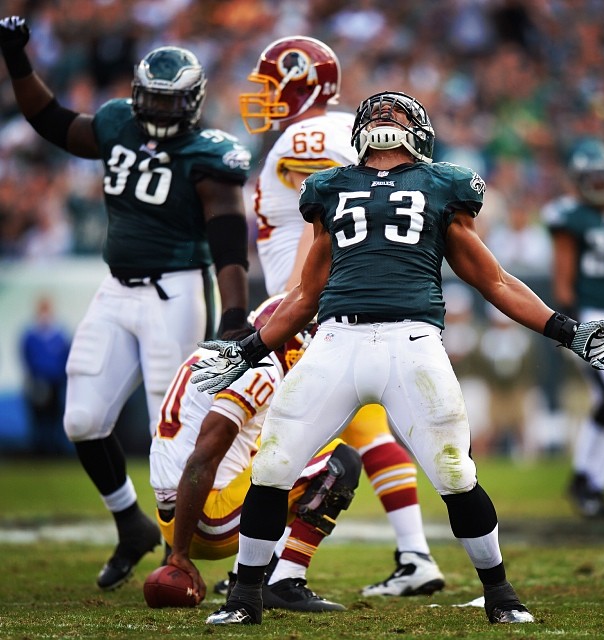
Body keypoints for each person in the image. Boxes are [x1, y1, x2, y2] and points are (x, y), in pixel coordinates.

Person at [189, 91, 604, 626]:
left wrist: (568, 332)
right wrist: (248, 351)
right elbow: (305, 296)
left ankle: (500, 593)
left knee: (454, 472)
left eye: (397, 112)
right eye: (376, 111)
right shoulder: (329, 188)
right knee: (273, 465)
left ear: (419, 131)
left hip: (413, 343)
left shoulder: (442, 184)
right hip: (336, 342)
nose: (385, 117)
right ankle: (245, 597)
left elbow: (492, 279)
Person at [0, 16, 252, 590]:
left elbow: (228, 239)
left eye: (171, 102)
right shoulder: (116, 123)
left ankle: (178, 552)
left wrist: (234, 313)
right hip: (115, 290)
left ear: (191, 102)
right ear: (138, 95)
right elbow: (53, 121)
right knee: (83, 418)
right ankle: (130, 525)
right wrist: (17, 58)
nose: (160, 112)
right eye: (153, 100)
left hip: (177, 293)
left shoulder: (209, 154)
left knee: (174, 435)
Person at [236, 34, 445, 598]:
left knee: (284, 441)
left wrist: (298, 300)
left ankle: (271, 569)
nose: (262, 96)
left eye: (270, 84)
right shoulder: (332, 130)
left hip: (311, 307)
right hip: (327, 307)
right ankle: (415, 555)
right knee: (367, 429)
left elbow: (326, 216)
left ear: (303, 81)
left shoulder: (313, 134)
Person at [150, 293, 361, 612]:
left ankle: (246, 574)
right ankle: (282, 580)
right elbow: (201, 459)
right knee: (338, 461)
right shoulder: (260, 369)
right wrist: (179, 554)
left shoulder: (223, 355)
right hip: (202, 517)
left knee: (278, 450)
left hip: (175, 511)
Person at [541, 139, 604, 519]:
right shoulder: (570, 216)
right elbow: (562, 278)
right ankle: (586, 479)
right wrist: (573, 328)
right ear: (579, 180)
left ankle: (593, 483)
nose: (599, 186)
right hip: (591, 316)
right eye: (592, 179)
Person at [19, 295, 72, 456]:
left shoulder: (60, 335)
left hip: (56, 383)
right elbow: (26, 357)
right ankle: (38, 450)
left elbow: (65, 357)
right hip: (37, 383)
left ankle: (54, 450)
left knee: (55, 417)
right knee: (38, 419)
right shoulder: (30, 335)